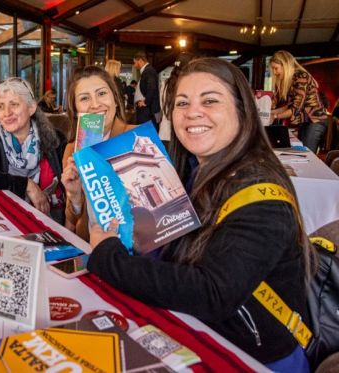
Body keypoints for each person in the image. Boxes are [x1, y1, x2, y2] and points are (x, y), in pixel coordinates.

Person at [87, 58, 314, 371]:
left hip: (255, 359)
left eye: (210, 100)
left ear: (242, 110)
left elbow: (212, 292)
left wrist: (108, 256)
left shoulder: (262, 191)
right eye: (182, 102)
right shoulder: (195, 170)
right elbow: (167, 249)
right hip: (199, 332)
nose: (193, 112)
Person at [0, 78, 66, 223]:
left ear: (31, 108)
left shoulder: (55, 140)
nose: (7, 113)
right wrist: (26, 184)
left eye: (14, 104)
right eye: (0, 107)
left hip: (54, 221)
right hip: (9, 221)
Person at [60, 66, 135, 241]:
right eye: (84, 98)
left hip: (134, 251)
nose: (95, 104)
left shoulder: (137, 138)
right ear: (76, 109)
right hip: (91, 247)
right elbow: (73, 220)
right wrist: (74, 196)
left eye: (102, 94)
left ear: (115, 100)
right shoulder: (72, 150)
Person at [270, 50, 327, 153]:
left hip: (314, 121)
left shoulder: (301, 76)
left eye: (276, 68)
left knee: (307, 155)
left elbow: (296, 108)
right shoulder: (292, 79)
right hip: (306, 122)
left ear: (285, 65)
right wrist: (272, 113)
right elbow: (289, 106)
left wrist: (274, 116)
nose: (274, 72)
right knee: (301, 154)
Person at [133, 51, 161, 128]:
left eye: (135, 62)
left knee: (146, 133)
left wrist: (145, 102)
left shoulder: (149, 71)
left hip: (148, 111)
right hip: (146, 110)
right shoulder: (147, 71)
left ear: (140, 60)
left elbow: (152, 87)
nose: (135, 65)